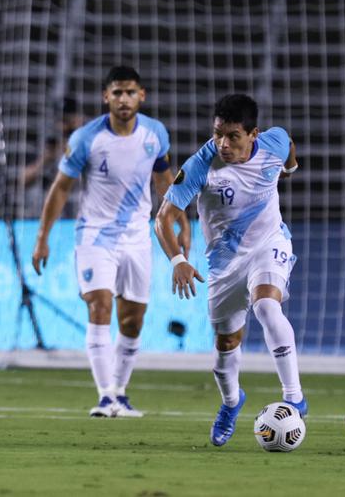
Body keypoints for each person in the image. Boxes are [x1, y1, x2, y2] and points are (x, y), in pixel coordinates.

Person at [31, 66, 189, 418]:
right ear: (106, 97)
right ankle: (104, 397)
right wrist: (42, 238)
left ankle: (119, 391)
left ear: (141, 96)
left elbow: (164, 181)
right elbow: (61, 189)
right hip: (95, 236)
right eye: (116, 92)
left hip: (137, 238)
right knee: (99, 306)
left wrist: (182, 223)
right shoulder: (86, 138)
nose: (123, 99)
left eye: (130, 92)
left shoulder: (155, 134)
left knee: (132, 320)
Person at [155, 93, 308, 447]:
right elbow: (162, 219)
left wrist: (289, 168)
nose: (223, 143)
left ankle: (294, 398)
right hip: (224, 264)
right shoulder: (200, 165)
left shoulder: (275, 141)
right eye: (218, 133)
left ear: (253, 133)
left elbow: (288, 148)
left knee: (268, 306)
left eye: (233, 136)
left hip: (270, 243)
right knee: (227, 344)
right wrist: (178, 260)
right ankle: (231, 402)